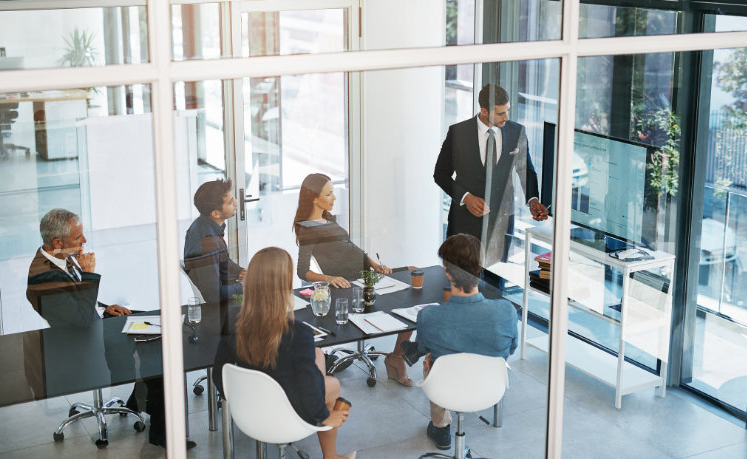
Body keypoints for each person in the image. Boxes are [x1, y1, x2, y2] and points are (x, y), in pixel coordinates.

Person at [26, 209, 195, 449]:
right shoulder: (44, 277)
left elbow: (77, 307)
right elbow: (81, 320)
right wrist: (89, 275)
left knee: (155, 321)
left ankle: (140, 402)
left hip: (90, 325)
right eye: (78, 237)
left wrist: (105, 310)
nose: (84, 241)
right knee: (158, 348)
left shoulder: (57, 256)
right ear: (57, 242)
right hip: (81, 343)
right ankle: (162, 431)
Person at [213, 247, 355, 459]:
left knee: (317, 355)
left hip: (248, 408)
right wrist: (323, 417)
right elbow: (307, 384)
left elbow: (219, 372)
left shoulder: (234, 319)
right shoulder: (298, 333)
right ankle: (330, 456)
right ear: (284, 285)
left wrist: (235, 397)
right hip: (288, 408)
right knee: (332, 384)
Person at [293, 173, 414, 386]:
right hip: (353, 284)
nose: (334, 198)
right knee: (408, 295)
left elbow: (349, 247)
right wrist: (329, 278)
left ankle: (396, 356)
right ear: (314, 197)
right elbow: (302, 271)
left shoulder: (326, 217)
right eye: (328, 194)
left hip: (367, 275)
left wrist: (375, 265)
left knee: (413, 273)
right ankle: (396, 358)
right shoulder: (308, 228)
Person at [409, 234, 518, 451]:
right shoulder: (506, 310)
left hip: (445, 390)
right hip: (490, 390)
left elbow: (422, 348)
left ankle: (441, 426)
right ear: (480, 268)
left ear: (448, 274)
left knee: (432, 359)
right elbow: (511, 349)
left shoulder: (429, 316)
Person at [434, 83, 548, 268]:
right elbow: (440, 174)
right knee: (459, 280)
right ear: (484, 111)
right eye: (501, 113)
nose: (507, 117)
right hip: (464, 223)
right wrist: (466, 197)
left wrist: (533, 201)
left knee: (496, 286)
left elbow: (525, 169)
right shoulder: (458, 133)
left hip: (501, 223)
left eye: (508, 111)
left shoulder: (517, 132)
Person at [184, 178, 246, 332]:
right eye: (231, 202)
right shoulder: (208, 241)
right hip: (225, 306)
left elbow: (223, 260)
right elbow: (213, 295)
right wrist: (243, 286)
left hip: (228, 290)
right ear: (216, 213)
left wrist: (240, 271)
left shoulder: (204, 225)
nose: (237, 202)